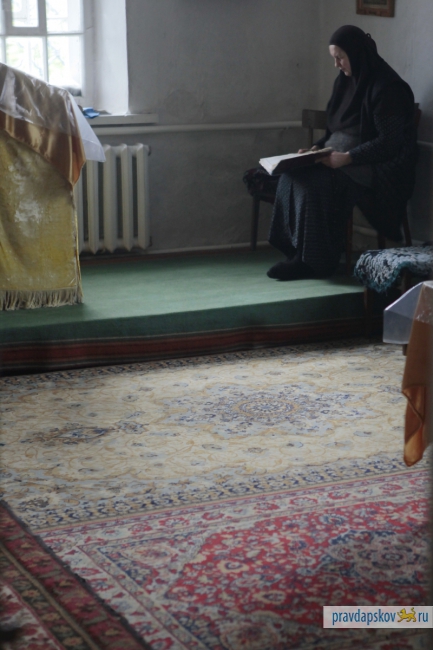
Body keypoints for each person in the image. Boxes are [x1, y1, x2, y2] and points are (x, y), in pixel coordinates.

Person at [265, 25, 418, 281]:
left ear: (356, 54)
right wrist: (316, 149)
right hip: (341, 158)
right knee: (291, 176)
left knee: (313, 184)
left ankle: (316, 263)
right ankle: (297, 253)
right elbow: (336, 130)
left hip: (377, 167)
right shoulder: (346, 82)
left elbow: (389, 143)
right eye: (334, 58)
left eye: (340, 57)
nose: (336, 64)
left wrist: (348, 158)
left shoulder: (388, 87)